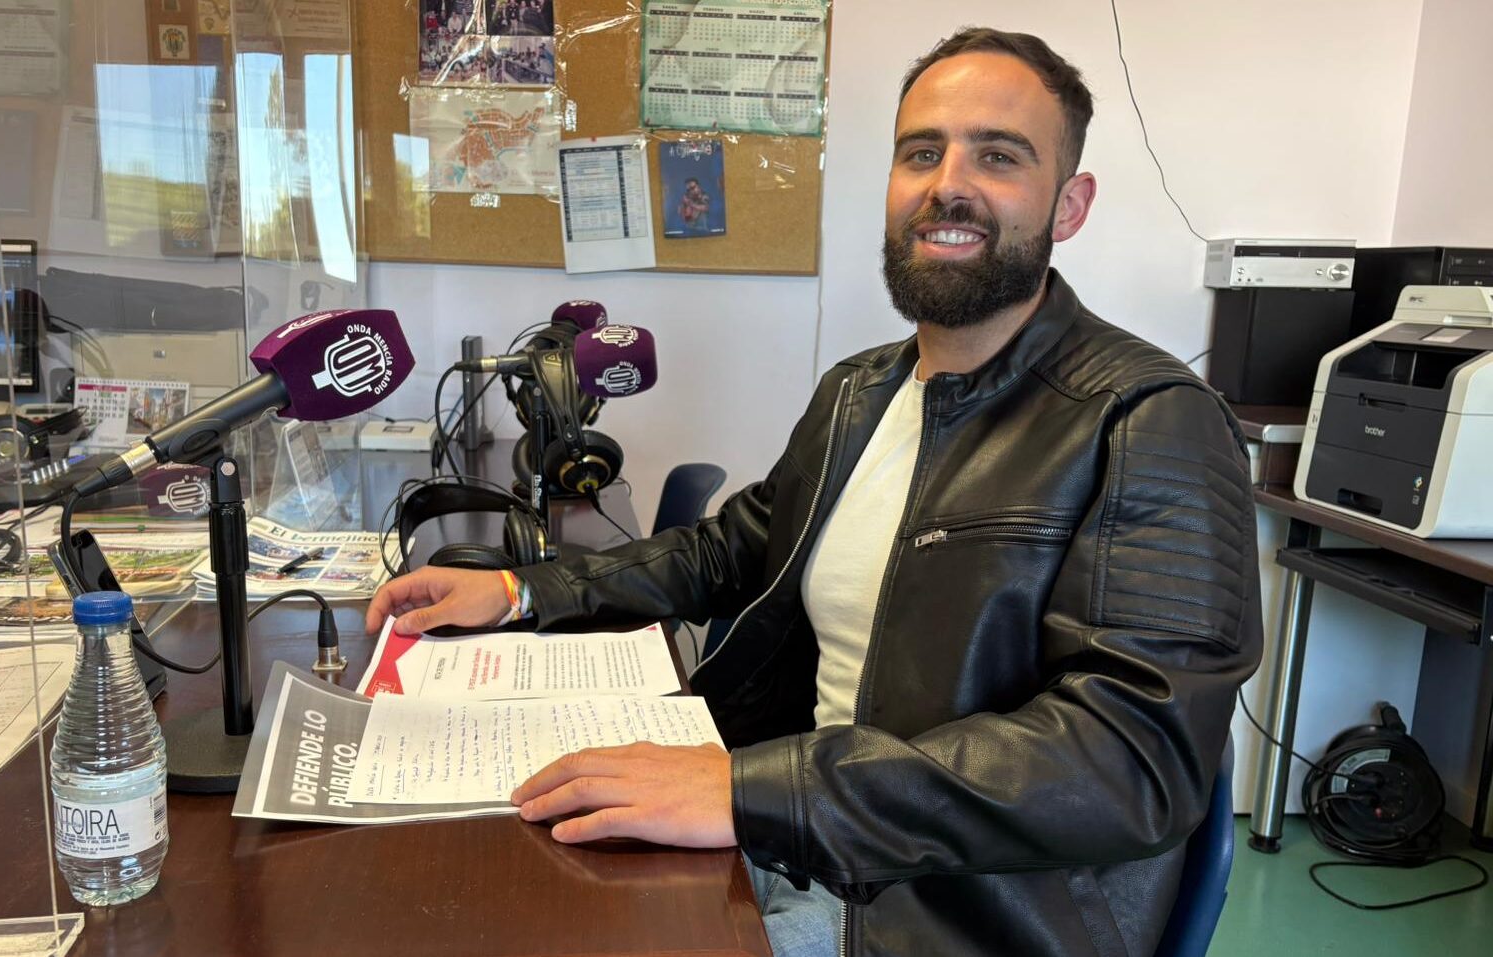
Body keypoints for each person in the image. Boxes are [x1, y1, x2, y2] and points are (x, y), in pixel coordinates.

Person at [369, 26, 1260, 957]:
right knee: (474, 876)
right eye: (922, 152)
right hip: (802, 846)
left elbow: (1128, 761)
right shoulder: (860, 392)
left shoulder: (1151, 420)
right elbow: (729, 549)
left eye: (998, 156)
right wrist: (519, 589)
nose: (948, 184)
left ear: (1068, 206)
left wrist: (753, 792)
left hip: (949, 916)